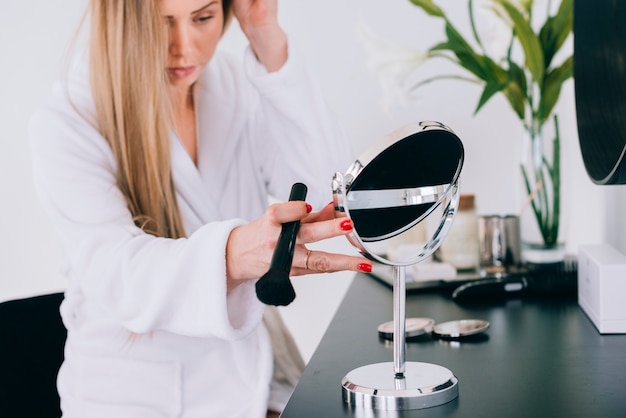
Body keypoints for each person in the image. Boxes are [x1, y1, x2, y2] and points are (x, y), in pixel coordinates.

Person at [29, 0, 372, 416]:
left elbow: (325, 192)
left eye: (203, 18)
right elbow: (117, 271)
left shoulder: (231, 85)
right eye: (161, 23)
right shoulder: (69, 119)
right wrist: (233, 255)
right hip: (132, 398)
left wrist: (266, 37)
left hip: (249, 383)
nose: (185, 48)